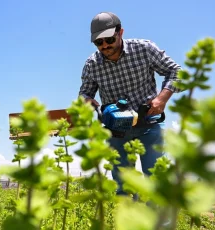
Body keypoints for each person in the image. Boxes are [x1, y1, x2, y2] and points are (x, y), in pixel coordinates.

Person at [78, 12, 183, 195]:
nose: (104, 45)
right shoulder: (92, 64)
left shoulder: (144, 49)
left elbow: (177, 72)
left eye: (109, 39)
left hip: (150, 124)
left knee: (157, 182)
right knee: (122, 185)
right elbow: (85, 92)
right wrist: (86, 100)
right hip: (116, 131)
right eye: (98, 42)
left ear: (121, 32)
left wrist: (161, 99)